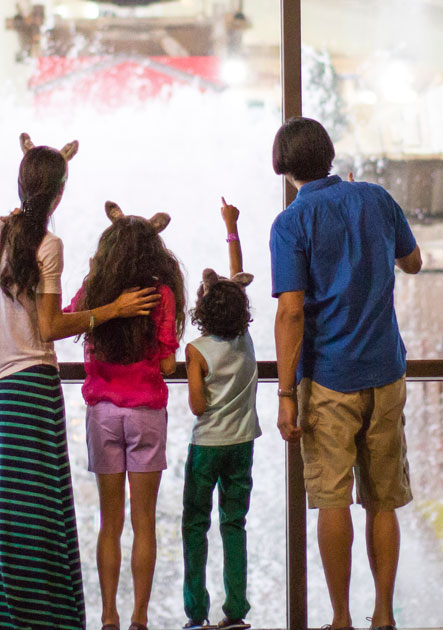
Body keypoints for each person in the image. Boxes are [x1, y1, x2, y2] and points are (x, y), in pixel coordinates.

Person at [0, 134, 160, 630]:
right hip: (31, 387)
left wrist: (40, 162)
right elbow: (52, 326)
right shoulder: (47, 245)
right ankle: (47, 618)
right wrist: (114, 309)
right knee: (38, 511)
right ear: (58, 196)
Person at [268, 117, 423, 630]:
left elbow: (291, 311)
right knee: (383, 499)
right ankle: (383, 614)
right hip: (385, 369)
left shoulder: (291, 222)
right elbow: (414, 261)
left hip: (329, 376)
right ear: (330, 155)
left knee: (332, 498)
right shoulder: (375, 198)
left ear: (285, 166)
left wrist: (286, 392)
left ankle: (339, 619)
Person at [68, 201, 186, 630]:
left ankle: (108, 617)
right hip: (146, 415)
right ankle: (139, 618)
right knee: (144, 524)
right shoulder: (163, 295)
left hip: (101, 414)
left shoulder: (95, 290)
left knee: (109, 522)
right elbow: (170, 366)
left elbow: (66, 321)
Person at [179, 198, 261, 630]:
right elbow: (236, 279)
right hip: (242, 444)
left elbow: (196, 404)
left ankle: (197, 615)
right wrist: (232, 227)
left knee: (195, 526)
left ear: (202, 313)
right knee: (234, 525)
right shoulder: (244, 339)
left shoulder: (197, 350)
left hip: (207, 447)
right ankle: (235, 613)